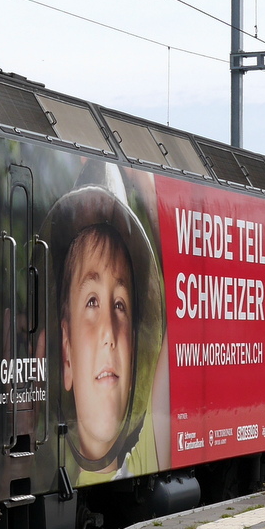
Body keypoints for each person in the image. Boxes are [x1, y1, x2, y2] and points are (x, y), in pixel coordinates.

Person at [43, 161, 165, 483]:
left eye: (121, 305)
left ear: (136, 346)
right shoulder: (47, 472)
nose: (109, 332)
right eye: (92, 302)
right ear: (66, 354)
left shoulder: (153, 445)